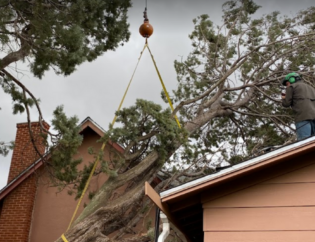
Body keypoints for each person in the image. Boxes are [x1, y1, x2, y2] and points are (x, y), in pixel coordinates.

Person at [282, 72, 315, 140]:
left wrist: (283, 97)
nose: (287, 86)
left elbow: (286, 104)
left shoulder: (292, 87)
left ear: (291, 80)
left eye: (287, 83)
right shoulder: (311, 88)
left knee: (304, 143)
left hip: (302, 118)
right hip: (314, 118)